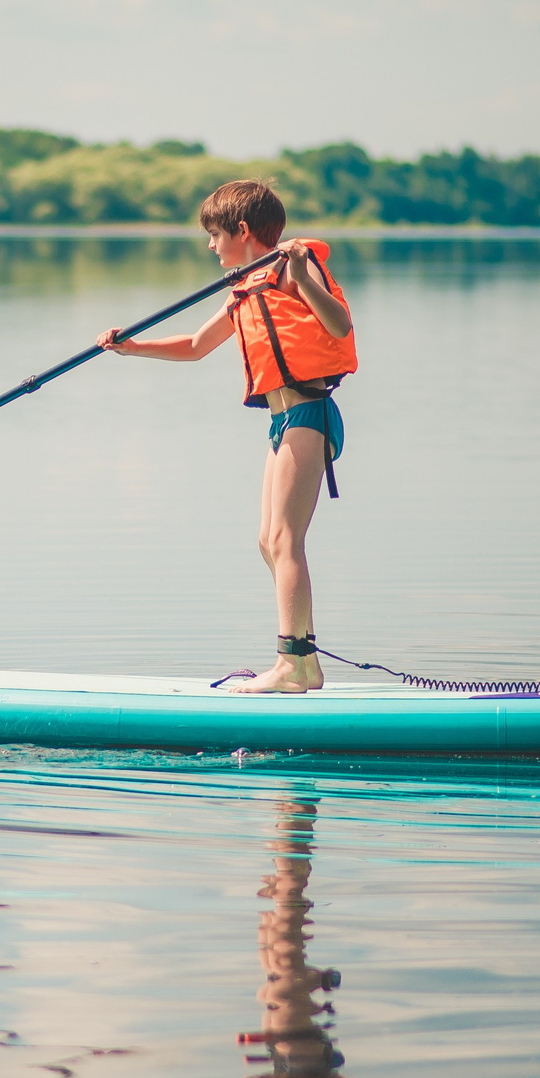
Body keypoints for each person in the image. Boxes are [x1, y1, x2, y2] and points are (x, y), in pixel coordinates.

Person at [96, 179, 356, 694]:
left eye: (215, 234)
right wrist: (132, 347)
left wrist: (304, 277)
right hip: (282, 423)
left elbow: (340, 325)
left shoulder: (292, 270)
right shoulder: (247, 288)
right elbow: (195, 345)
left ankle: (292, 664)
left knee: (285, 540)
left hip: (309, 413)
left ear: (241, 230)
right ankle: (304, 662)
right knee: (269, 540)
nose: (211, 246)